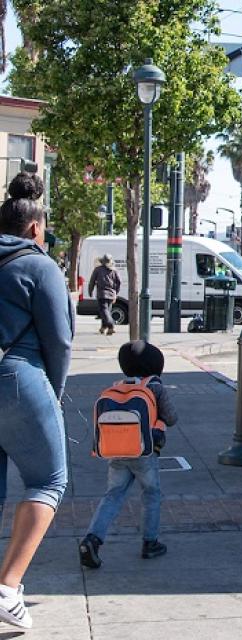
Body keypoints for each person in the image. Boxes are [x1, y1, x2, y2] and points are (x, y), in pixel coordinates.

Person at [0, 172, 73, 629]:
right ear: (34, 227)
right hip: (19, 378)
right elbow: (60, 342)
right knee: (48, 480)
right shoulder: (40, 265)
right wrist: (55, 393)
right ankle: (8, 588)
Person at [79, 341, 178, 569]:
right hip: (144, 453)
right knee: (151, 494)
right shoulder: (155, 387)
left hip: (117, 451)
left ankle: (92, 539)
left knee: (113, 495)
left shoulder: (117, 386)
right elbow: (172, 418)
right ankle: (150, 542)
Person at [88, 253, 121, 335]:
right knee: (107, 311)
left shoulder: (98, 269)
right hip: (111, 294)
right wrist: (116, 293)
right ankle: (104, 328)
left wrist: (90, 291)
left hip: (102, 294)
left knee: (104, 311)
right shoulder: (114, 270)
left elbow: (92, 281)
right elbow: (119, 282)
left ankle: (111, 325)